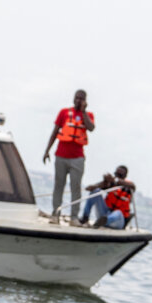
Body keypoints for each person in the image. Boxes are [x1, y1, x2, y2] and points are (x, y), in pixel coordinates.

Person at [43, 89, 95, 222]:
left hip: (77, 158)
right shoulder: (64, 113)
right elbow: (55, 132)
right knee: (58, 185)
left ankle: (74, 217)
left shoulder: (88, 115)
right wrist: (47, 150)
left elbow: (91, 128)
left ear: (85, 101)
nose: (78, 100)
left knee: (75, 187)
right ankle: (55, 214)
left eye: (81, 99)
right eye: (76, 98)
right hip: (61, 155)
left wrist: (83, 112)